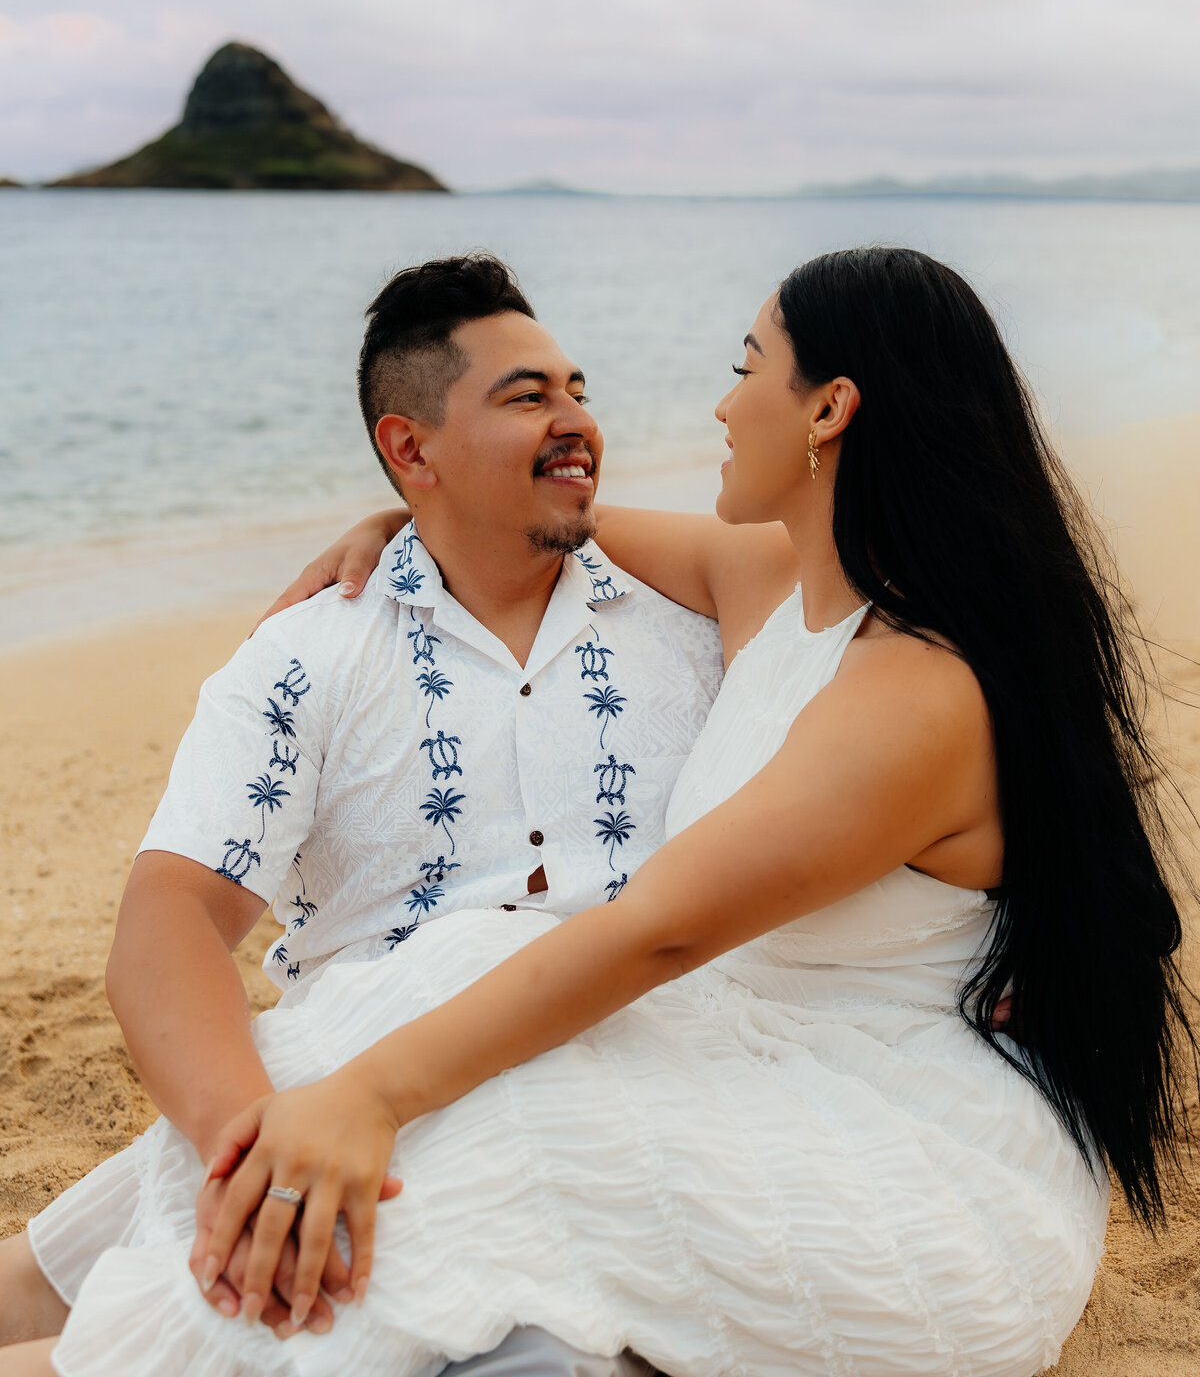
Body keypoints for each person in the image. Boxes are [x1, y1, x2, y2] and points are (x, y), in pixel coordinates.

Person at [10, 245, 1194, 1376]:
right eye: (538, 394)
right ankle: (108, 1291)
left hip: (904, 1142)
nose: (719, 407)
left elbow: (658, 933)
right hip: (760, 1056)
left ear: (828, 410)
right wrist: (403, 512)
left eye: (745, 366)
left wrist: (366, 1102)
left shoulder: (914, 692)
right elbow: (538, 518)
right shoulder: (772, 583)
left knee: (455, 1145)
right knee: (429, 989)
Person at [0, 254, 724, 1377]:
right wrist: (254, 1148)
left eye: (578, 389)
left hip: (625, 1094)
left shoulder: (694, 624)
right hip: (353, 1094)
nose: (577, 419)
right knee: (122, 1259)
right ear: (409, 447)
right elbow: (173, 919)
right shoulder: (310, 651)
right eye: (529, 398)